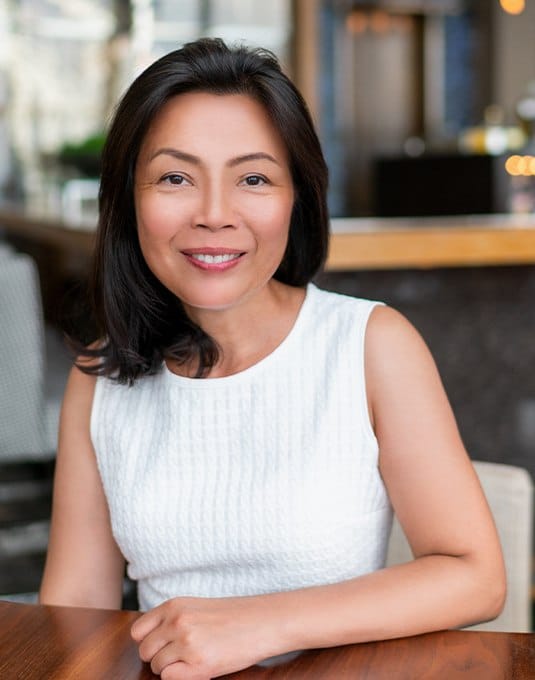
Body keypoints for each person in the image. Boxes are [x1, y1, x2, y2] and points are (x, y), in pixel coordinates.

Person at [39, 38, 505, 679]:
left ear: (298, 197)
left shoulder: (370, 344)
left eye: (253, 178)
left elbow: (473, 577)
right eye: (176, 177)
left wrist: (260, 623)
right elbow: (74, 618)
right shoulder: (102, 378)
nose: (213, 215)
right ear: (128, 199)